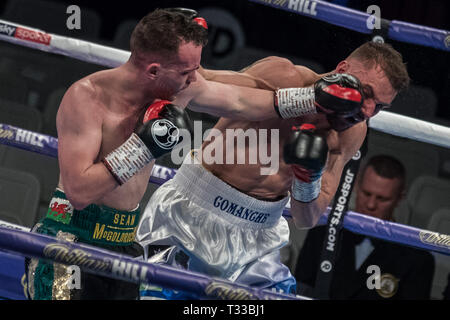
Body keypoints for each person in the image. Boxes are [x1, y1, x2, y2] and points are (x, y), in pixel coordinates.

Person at [24, 8, 342, 300]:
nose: (197, 79)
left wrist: (314, 98)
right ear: (152, 71)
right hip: (70, 239)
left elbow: (244, 102)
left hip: (124, 246)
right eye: (187, 71)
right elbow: (79, 192)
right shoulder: (87, 99)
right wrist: (142, 146)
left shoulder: (177, 88)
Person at [136, 41, 410, 299]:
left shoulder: (352, 132)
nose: (368, 110)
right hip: (189, 217)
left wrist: (307, 178)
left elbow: (307, 218)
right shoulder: (283, 76)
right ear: (342, 72)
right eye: (368, 93)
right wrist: (182, 44)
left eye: (381, 107)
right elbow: (198, 86)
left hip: (258, 241)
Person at [294, 155, 435, 299]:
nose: (371, 205)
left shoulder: (417, 260)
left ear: (400, 198)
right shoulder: (321, 235)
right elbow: (301, 291)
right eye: (366, 194)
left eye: (382, 199)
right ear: (356, 187)